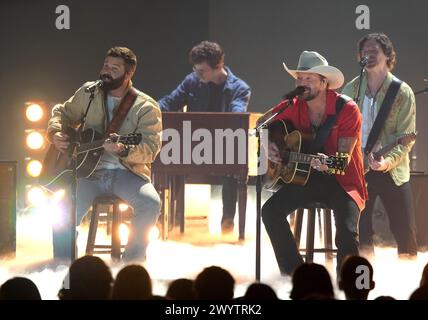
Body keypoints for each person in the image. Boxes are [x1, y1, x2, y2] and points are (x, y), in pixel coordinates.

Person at [47, 46, 162, 262]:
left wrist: (123, 149)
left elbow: (151, 148)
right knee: (62, 206)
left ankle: (132, 262)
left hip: (127, 174)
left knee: (151, 203)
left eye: (114, 68)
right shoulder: (88, 93)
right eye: (105, 65)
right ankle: (63, 261)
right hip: (88, 174)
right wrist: (55, 132)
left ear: (129, 73)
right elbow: (62, 113)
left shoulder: (146, 106)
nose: (106, 71)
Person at [261, 51, 367, 276]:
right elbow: (263, 122)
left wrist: (328, 164)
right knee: (270, 211)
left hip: (343, 180)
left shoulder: (347, 109)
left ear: (324, 82)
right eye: (299, 78)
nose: (302, 83)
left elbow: (342, 161)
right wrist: (268, 145)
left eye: (308, 78)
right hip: (306, 179)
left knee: (347, 232)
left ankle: (347, 284)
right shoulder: (293, 104)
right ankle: (297, 275)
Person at [158, 41, 251, 233]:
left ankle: (227, 222)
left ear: (218, 66)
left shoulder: (239, 88)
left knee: (233, 165)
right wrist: (148, 110)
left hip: (221, 148)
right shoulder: (192, 81)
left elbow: (236, 117)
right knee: (169, 160)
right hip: (193, 147)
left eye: (202, 71)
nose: (198, 75)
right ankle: (167, 221)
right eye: (196, 70)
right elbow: (170, 102)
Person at [342, 33, 417, 257]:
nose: (369, 55)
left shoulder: (402, 92)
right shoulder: (351, 90)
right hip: (358, 167)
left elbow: (405, 139)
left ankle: (411, 280)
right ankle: (364, 276)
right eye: (365, 51)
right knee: (360, 229)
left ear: (387, 55)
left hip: (392, 170)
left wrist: (386, 162)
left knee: (404, 229)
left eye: (374, 51)